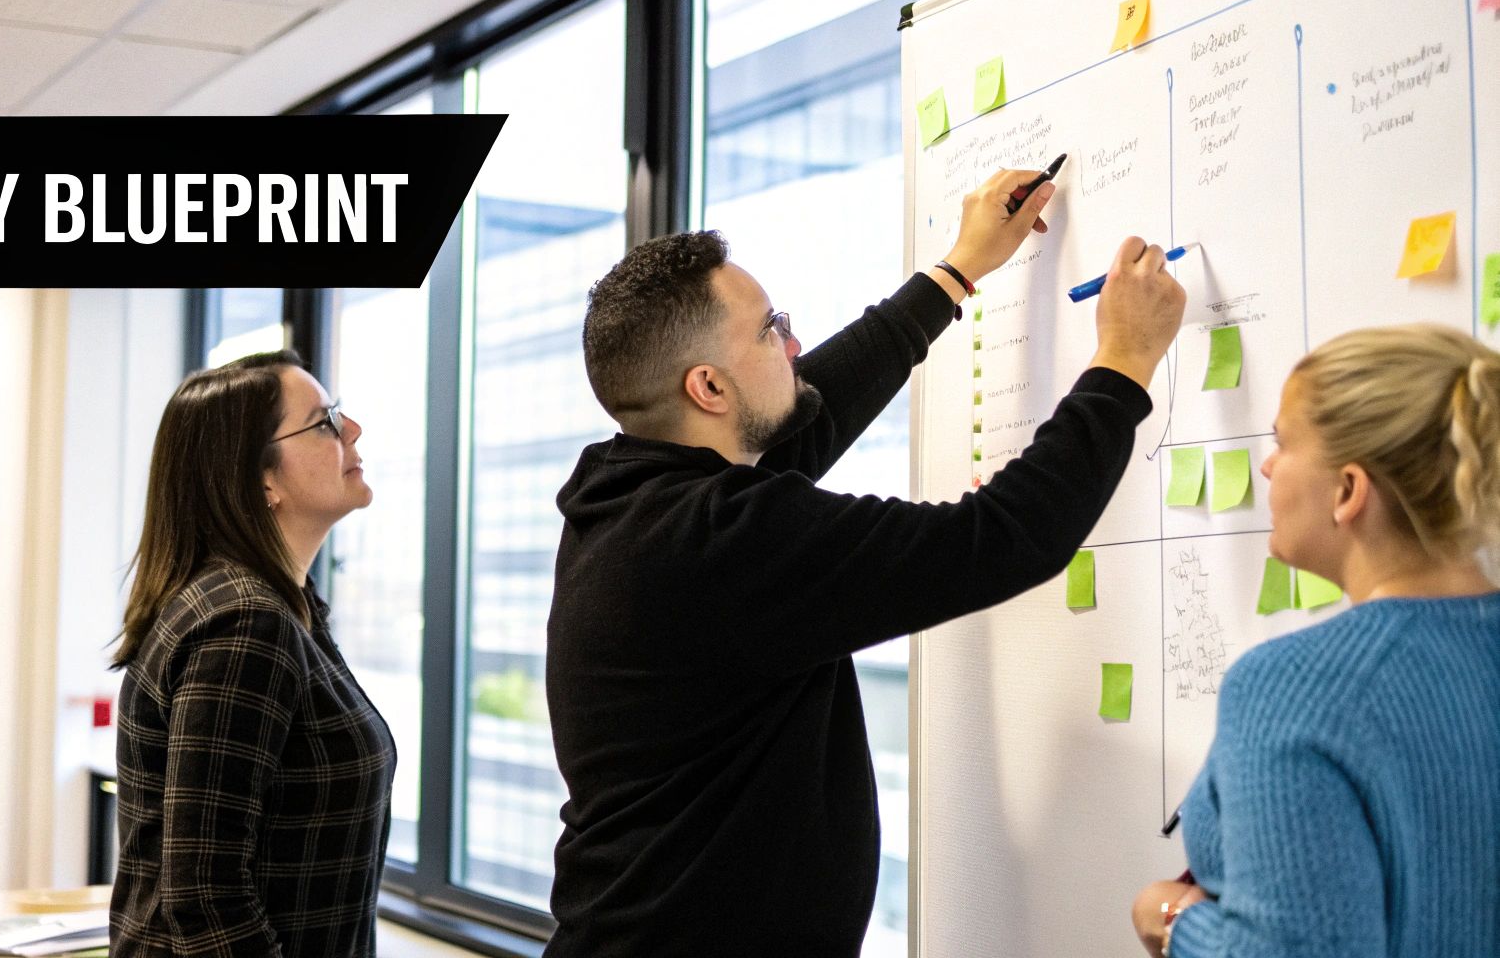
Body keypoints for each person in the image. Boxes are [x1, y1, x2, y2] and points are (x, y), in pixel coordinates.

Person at [544, 168, 1187, 956]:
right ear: (708, 386)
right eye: (768, 330)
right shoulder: (717, 542)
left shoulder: (629, 498)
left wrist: (955, 272)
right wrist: (1123, 361)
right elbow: (1008, 536)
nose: (794, 344)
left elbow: (807, 414)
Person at [1132, 324, 1500, 958]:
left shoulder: (1291, 690)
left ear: (1349, 491)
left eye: (1283, 442)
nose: (1268, 465)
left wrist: (1171, 919)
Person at [108, 350, 395, 958]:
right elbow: (207, 901)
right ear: (261, 478)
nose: (352, 430)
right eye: (324, 421)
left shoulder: (284, 606)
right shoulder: (245, 624)